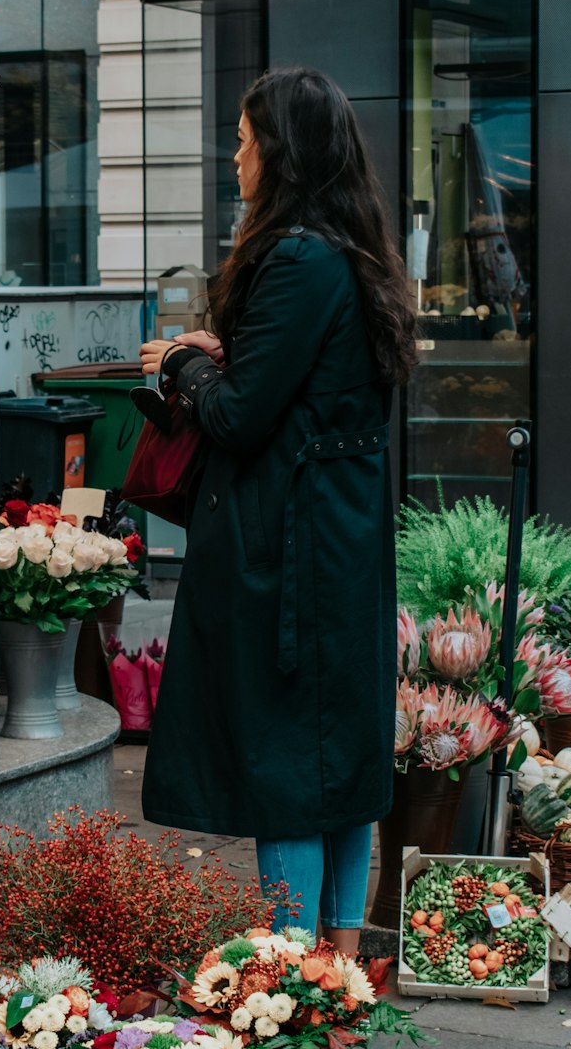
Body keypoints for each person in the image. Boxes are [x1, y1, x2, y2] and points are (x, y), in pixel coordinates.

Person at [138, 66, 417, 954]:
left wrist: (185, 362)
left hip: (287, 547)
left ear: (282, 155)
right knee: (341, 763)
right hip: (339, 539)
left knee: (288, 764)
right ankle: (337, 968)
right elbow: (301, 388)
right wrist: (230, 354)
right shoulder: (353, 251)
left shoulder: (296, 257)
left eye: (246, 141)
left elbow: (237, 415)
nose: (235, 157)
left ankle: (293, 978)